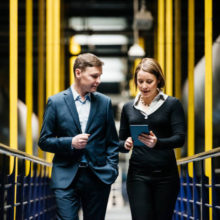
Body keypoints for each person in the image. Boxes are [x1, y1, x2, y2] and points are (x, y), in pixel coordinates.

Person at [38, 53, 119, 220]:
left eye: (100, 76)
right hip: (66, 178)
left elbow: (112, 142)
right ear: (78, 73)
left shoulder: (104, 103)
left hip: (98, 177)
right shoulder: (56, 102)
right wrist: (70, 142)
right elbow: (44, 141)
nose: (98, 81)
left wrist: (111, 169)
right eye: (94, 76)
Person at [119, 57, 186, 220]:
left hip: (166, 176)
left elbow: (180, 138)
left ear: (158, 80)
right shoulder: (129, 108)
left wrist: (158, 143)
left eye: (149, 81)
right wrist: (126, 143)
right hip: (138, 176)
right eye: (140, 81)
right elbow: (119, 142)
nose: (144, 86)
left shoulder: (172, 104)